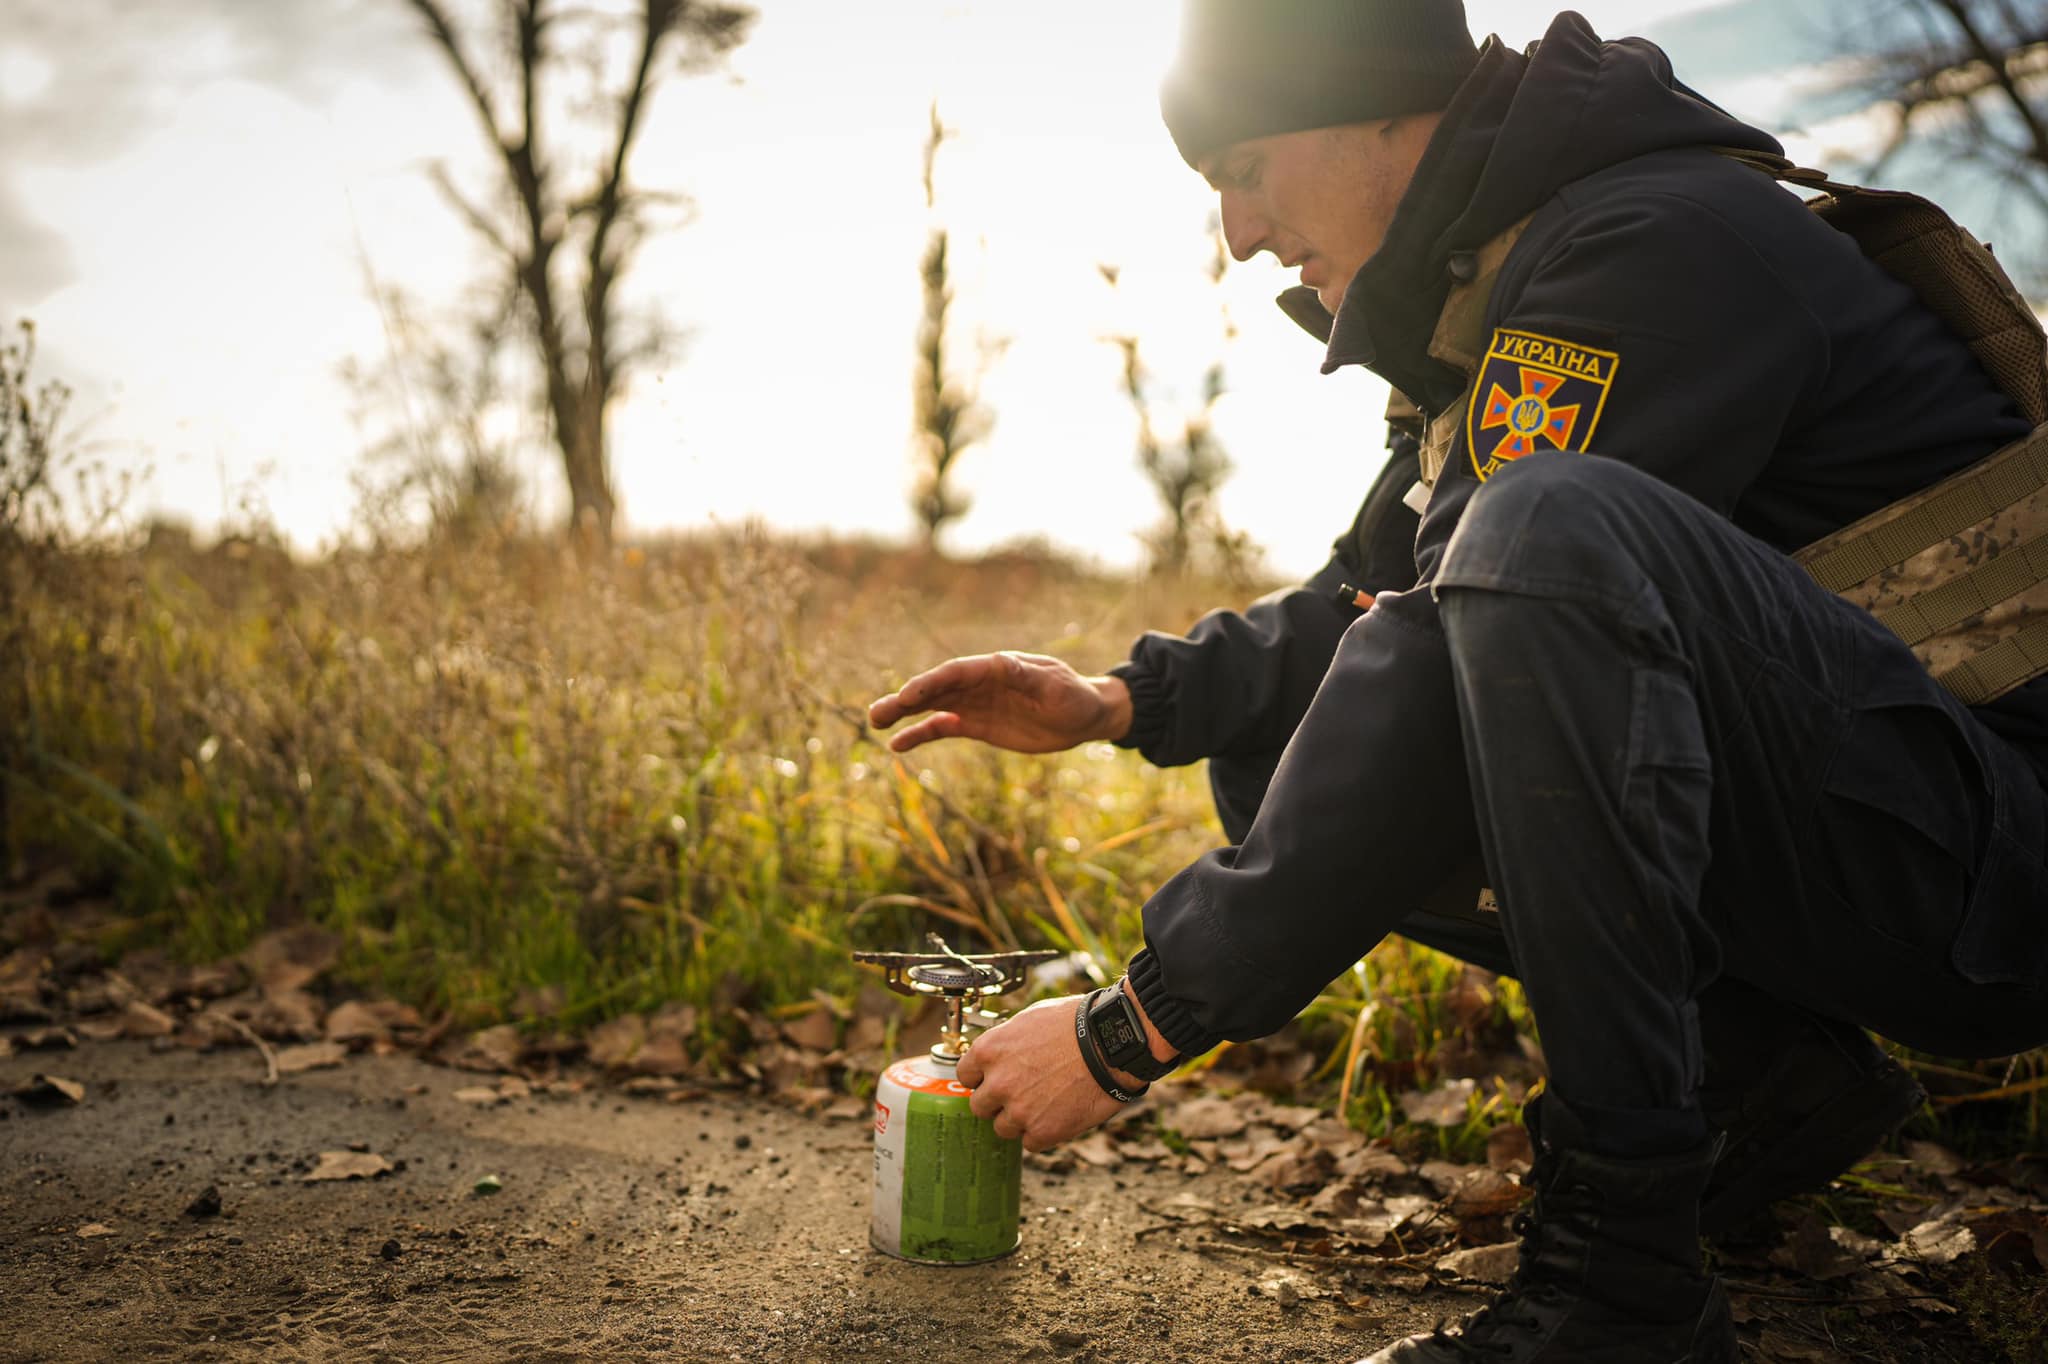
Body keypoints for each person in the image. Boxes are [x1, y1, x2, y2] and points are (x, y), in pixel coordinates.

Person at [866, 3, 2048, 1359]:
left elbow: (1460, 613)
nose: (1240, 232)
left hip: (2001, 869)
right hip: (1883, 828)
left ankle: (1623, 1290)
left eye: (1246, 167)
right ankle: (1754, 1088)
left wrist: (1128, 1030)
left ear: (1381, 108)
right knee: (1284, 739)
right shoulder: (1509, 280)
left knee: (1541, 535)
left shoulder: (1657, 244)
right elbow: (1373, 610)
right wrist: (1128, 700)